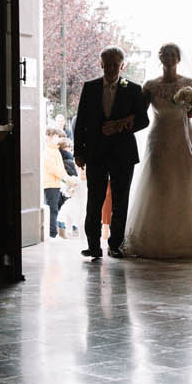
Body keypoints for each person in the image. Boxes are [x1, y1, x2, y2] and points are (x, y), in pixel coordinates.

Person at [122, 43, 192, 259]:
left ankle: (189, 238)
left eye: (172, 55)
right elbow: (140, 113)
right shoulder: (151, 85)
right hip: (159, 138)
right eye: (165, 55)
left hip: (184, 138)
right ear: (160, 58)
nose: (169, 58)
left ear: (178, 58)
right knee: (159, 185)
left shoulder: (189, 84)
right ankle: (155, 240)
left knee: (186, 184)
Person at [72, 46, 149, 259]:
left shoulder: (133, 89)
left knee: (120, 200)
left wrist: (121, 125)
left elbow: (143, 120)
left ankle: (115, 245)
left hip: (123, 154)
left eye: (115, 64)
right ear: (101, 65)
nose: (111, 68)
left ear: (122, 65)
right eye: (107, 64)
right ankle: (93, 246)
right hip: (95, 152)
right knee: (94, 200)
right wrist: (78, 151)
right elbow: (80, 123)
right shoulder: (90, 87)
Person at [42, 128, 70, 238]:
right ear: (49, 137)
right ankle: (52, 234)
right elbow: (53, 168)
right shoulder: (48, 150)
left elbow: (61, 169)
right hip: (50, 184)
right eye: (55, 136)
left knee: (54, 209)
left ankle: (54, 232)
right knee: (52, 209)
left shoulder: (55, 150)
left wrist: (66, 178)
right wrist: (66, 178)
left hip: (55, 183)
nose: (57, 139)